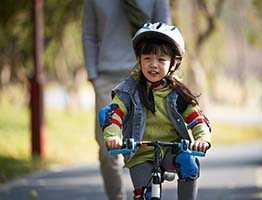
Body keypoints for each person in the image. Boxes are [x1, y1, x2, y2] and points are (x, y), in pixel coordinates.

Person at [100, 22, 211, 200]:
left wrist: (201, 139)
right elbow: (114, 115)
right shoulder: (128, 90)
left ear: (173, 64)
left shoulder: (177, 93)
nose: (153, 65)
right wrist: (113, 137)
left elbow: (196, 118)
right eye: (147, 58)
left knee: (189, 163)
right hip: (140, 153)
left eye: (161, 60)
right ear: (138, 60)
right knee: (144, 195)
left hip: (170, 150)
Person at [82, 1, 171, 200]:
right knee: (108, 148)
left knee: (152, 143)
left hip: (147, 75)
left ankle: (151, 191)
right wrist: (93, 75)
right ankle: (117, 197)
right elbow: (89, 34)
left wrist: (165, 76)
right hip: (107, 78)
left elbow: (166, 32)